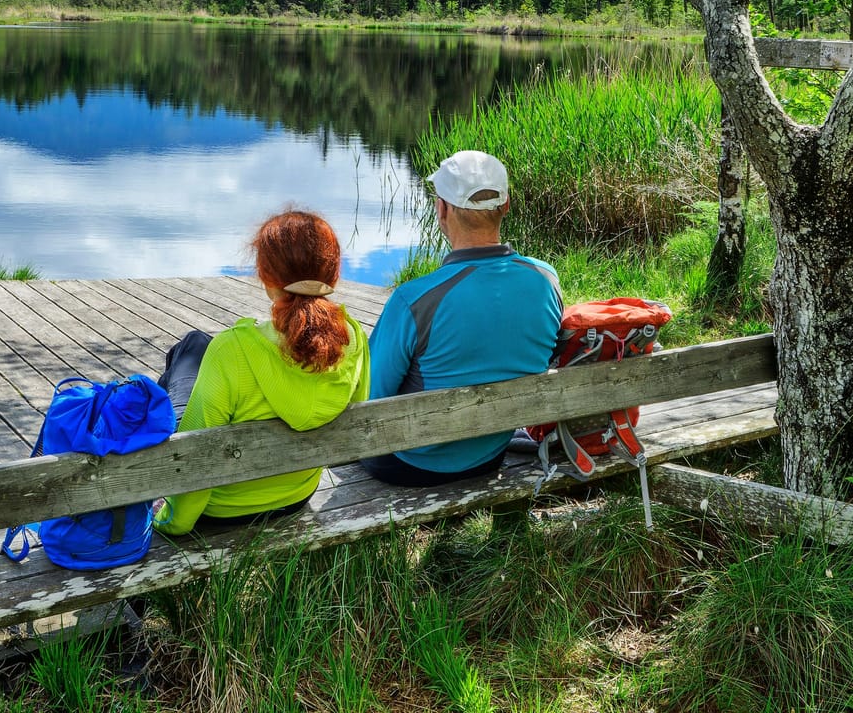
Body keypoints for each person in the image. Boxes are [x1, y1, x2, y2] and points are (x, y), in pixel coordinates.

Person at [154, 209, 370, 535]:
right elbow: (355, 418)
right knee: (196, 347)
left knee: (189, 350)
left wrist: (172, 522)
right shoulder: (353, 339)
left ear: (266, 277)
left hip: (221, 510)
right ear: (333, 275)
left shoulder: (233, 348)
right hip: (296, 496)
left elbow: (198, 458)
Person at [362, 150, 562, 486]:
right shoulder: (546, 280)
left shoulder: (413, 300)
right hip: (489, 454)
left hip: (409, 464)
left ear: (441, 209)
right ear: (507, 205)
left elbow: (371, 398)